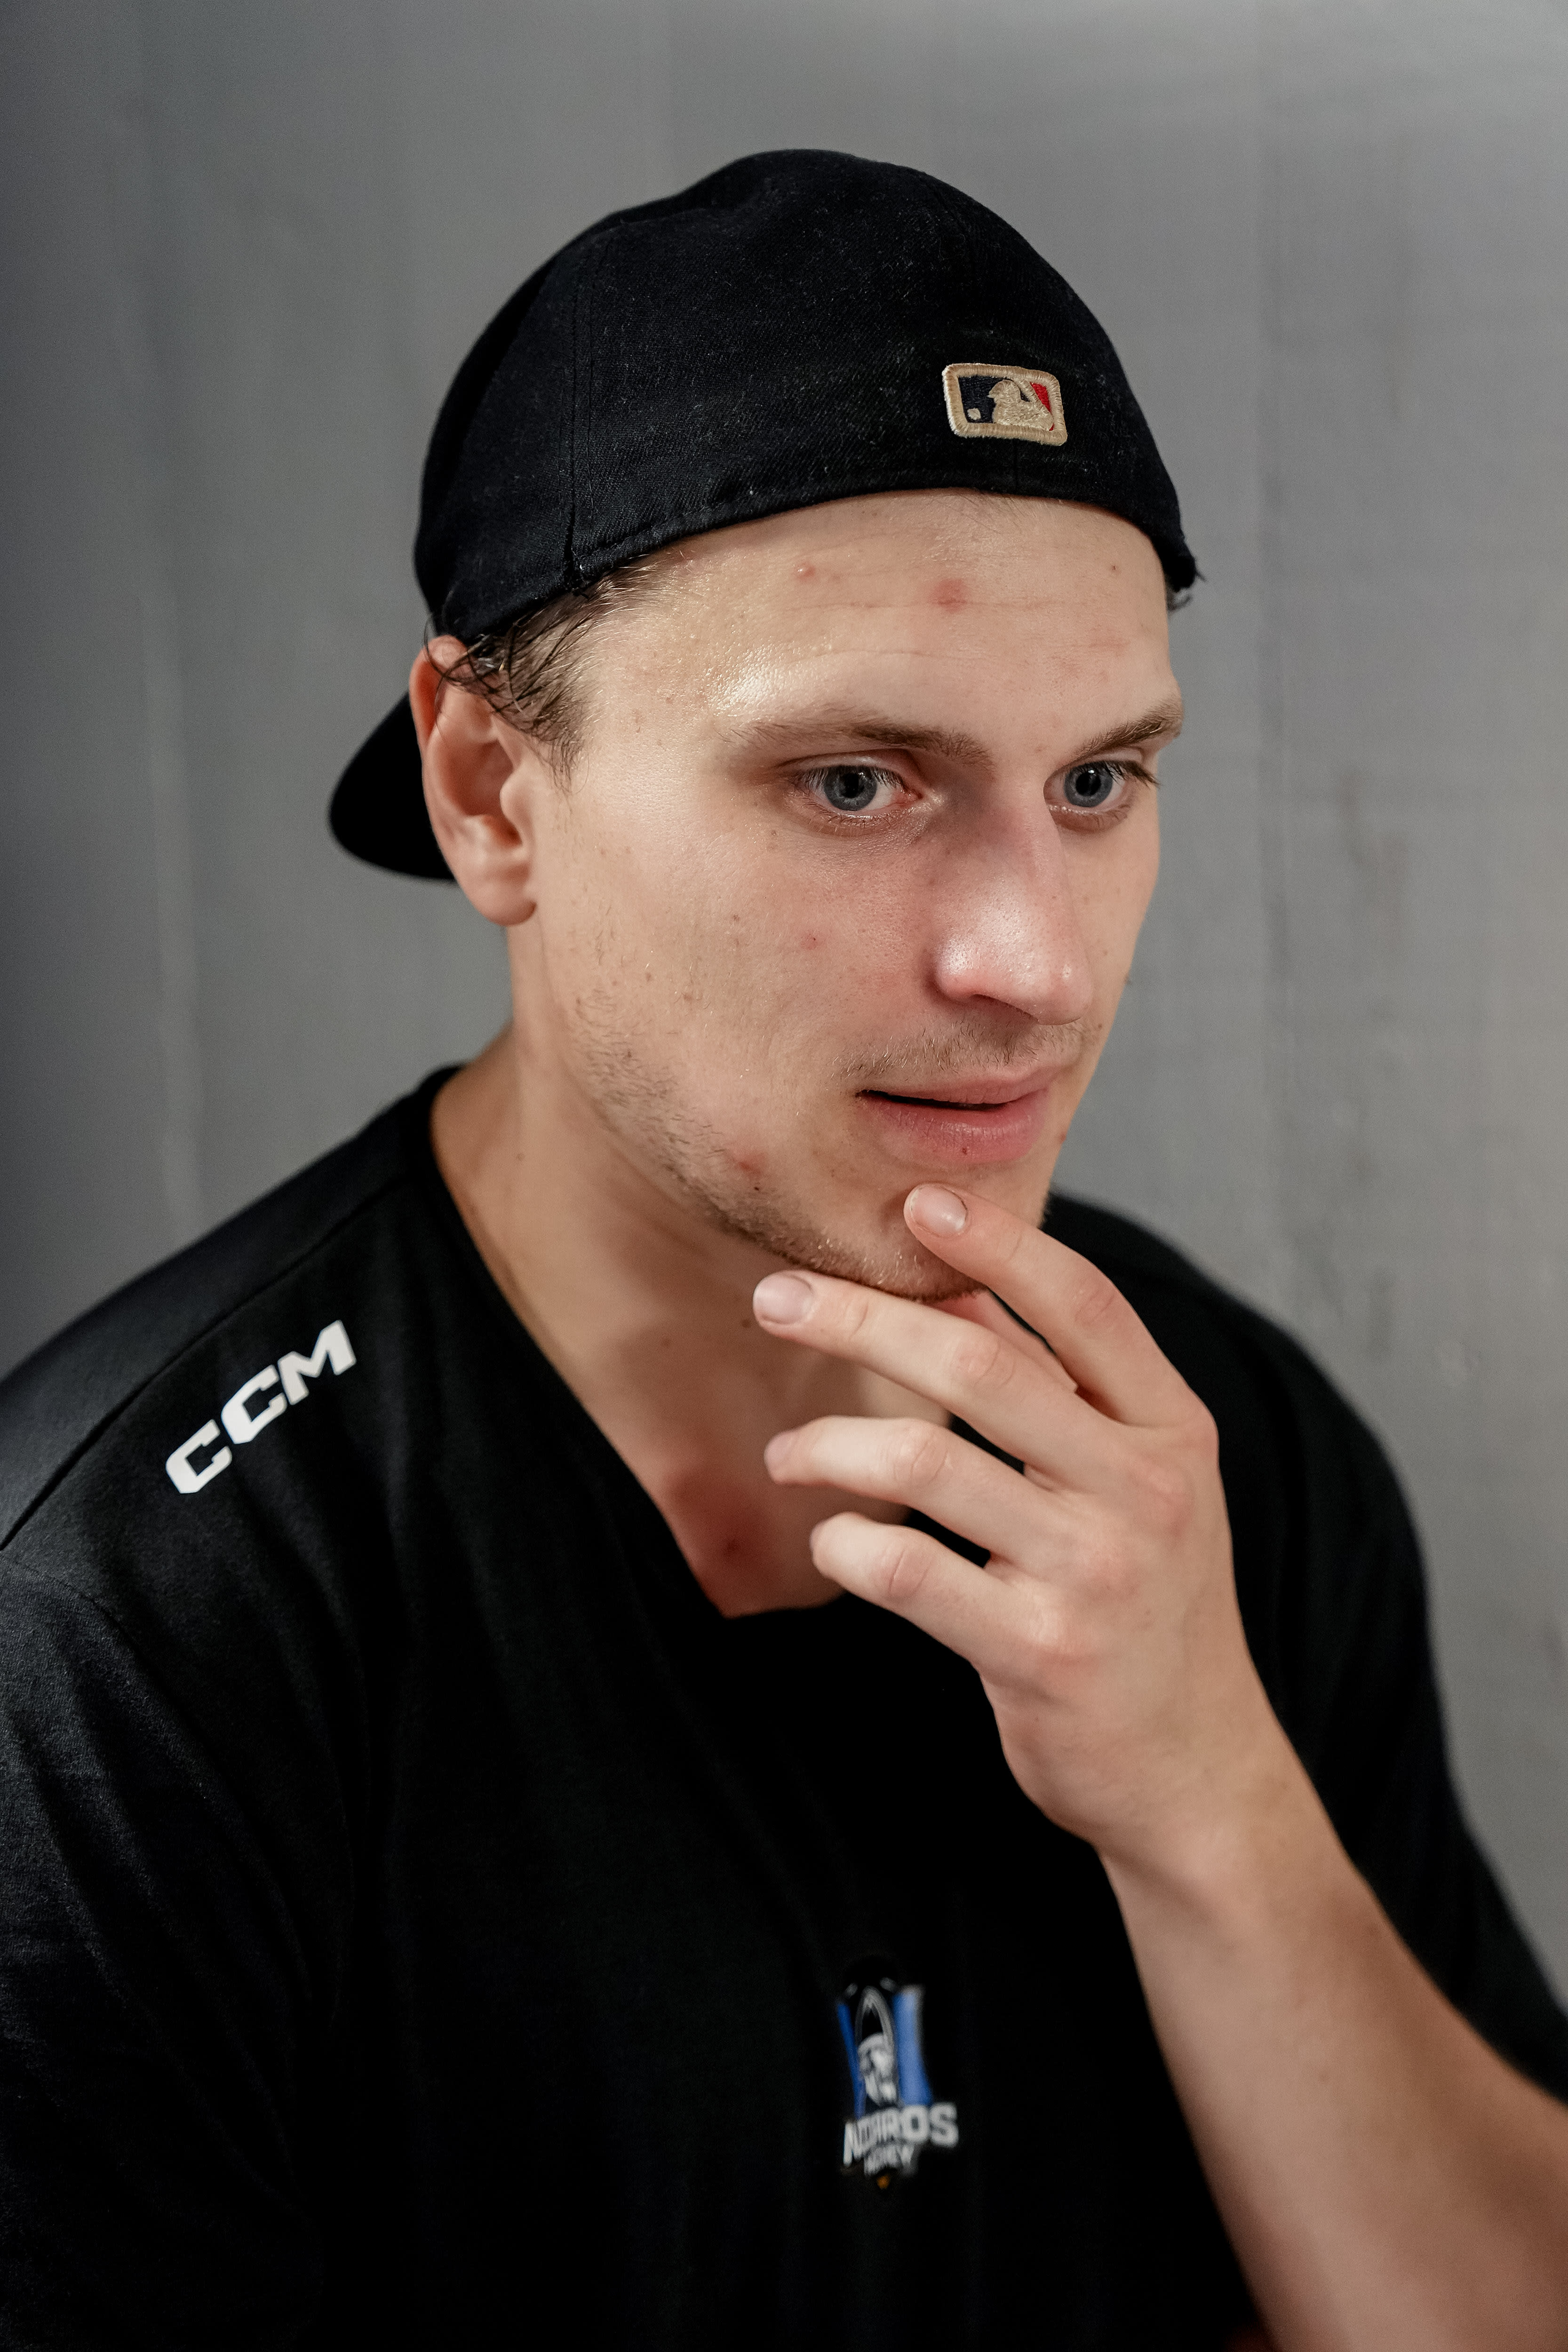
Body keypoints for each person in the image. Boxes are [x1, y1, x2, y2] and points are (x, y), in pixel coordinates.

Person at [0, 149, 1565, 2352]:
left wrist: (1209, 1792)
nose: (1034, 959)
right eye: (854, 781)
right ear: (492, 791)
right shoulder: (126, 1644)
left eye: (1100, 781)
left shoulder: (1209, 1453)